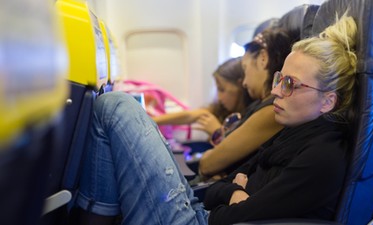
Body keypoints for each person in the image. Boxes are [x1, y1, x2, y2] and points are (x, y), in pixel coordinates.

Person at [76, 14, 357, 225]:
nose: (275, 91)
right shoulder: (293, 130)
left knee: (114, 107)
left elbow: (239, 213)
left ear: (328, 101)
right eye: (278, 79)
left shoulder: (323, 157)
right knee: (114, 109)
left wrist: (232, 193)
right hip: (201, 211)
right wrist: (234, 190)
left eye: (290, 84)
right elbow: (225, 186)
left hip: (199, 220)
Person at [198, 27, 293, 178]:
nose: (244, 82)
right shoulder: (259, 104)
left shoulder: (272, 110)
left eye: (245, 67)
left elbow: (208, 164)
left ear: (263, 58)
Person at [152, 57, 253, 137]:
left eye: (222, 90)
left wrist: (217, 132)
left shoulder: (250, 118)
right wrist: (152, 121)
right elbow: (191, 115)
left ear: (240, 86)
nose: (219, 96)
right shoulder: (222, 109)